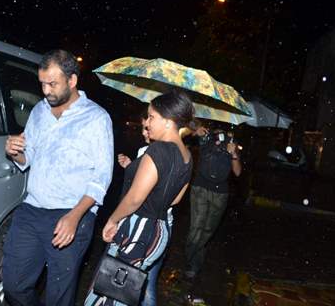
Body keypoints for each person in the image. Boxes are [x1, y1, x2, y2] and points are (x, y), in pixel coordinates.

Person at [3, 49, 114, 306]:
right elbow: (27, 158)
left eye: (53, 83)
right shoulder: (39, 112)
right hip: (31, 210)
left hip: (72, 214)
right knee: (13, 285)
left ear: (72, 80)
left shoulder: (97, 118)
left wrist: (74, 217)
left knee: (58, 296)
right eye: (42, 83)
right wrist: (15, 153)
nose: (46, 90)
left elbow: (102, 177)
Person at [85, 91, 194, 306]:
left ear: (169, 121)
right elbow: (176, 199)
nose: (148, 122)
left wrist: (113, 220)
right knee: (125, 291)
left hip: (138, 228)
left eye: (152, 117)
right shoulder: (187, 155)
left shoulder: (158, 150)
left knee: (109, 294)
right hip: (159, 230)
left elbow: (135, 198)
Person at [117, 110, 173, 306]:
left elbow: (144, 194)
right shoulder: (143, 152)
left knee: (145, 284)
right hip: (134, 222)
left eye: (148, 127)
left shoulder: (167, 155)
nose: (144, 132)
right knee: (123, 278)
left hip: (151, 227)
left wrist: (113, 219)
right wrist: (130, 166)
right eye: (142, 128)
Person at [184, 125, 242, 280]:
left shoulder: (231, 142)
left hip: (220, 194)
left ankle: (193, 258)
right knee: (196, 228)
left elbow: (237, 172)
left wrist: (234, 154)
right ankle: (192, 262)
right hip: (200, 188)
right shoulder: (205, 137)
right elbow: (182, 136)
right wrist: (194, 132)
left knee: (208, 230)